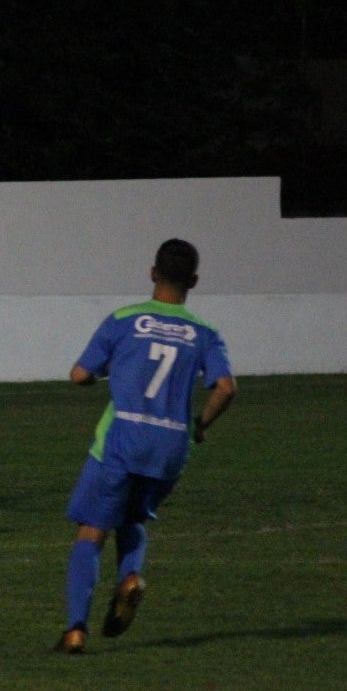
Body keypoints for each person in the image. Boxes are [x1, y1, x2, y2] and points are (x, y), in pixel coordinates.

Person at [56, 238, 236, 654]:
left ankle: (75, 630)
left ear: (153, 273)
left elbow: (79, 374)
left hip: (122, 440)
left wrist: (108, 372)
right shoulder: (205, 333)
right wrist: (200, 425)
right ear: (193, 280)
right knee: (133, 517)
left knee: (91, 531)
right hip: (170, 446)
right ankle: (130, 578)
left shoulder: (123, 320)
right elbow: (225, 388)